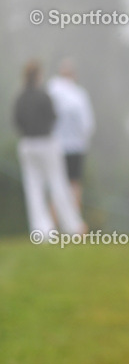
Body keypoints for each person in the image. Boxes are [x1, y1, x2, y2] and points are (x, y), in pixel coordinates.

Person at [13, 60, 86, 237]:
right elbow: (53, 117)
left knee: (33, 188)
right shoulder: (43, 95)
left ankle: (42, 230)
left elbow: (17, 121)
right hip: (46, 142)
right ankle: (72, 226)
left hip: (27, 144)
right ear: (38, 75)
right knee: (58, 183)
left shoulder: (20, 98)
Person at [47, 58, 95, 211]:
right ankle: (74, 219)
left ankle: (54, 221)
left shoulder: (52, 90)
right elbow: (87, 124)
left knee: (56, 183)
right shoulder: (79, 95)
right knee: (74, 183)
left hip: (56, 145)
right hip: (76, 146)